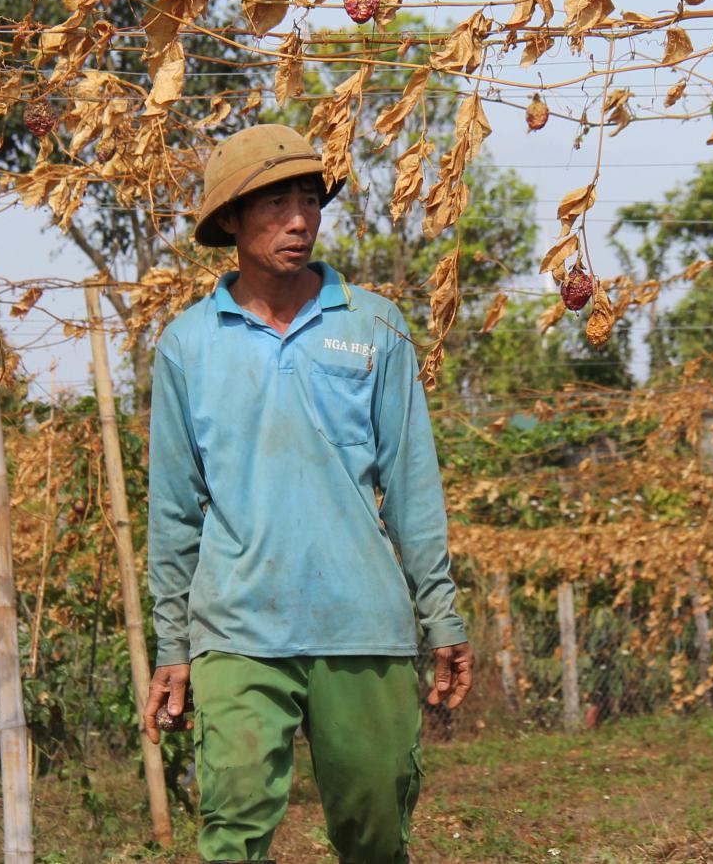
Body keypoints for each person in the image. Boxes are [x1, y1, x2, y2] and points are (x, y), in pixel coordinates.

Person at [142, 122, 474, 864]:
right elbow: (172, 510)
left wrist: (441, 617)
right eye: (274, 202)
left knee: (375, 835)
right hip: (235, 628)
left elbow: (413, 486)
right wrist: (173, 643)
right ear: (229, 218)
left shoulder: (375, 326)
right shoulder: (189, 345)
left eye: (309, 199)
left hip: (362, 625)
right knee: (231, 833)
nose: (299, 219)